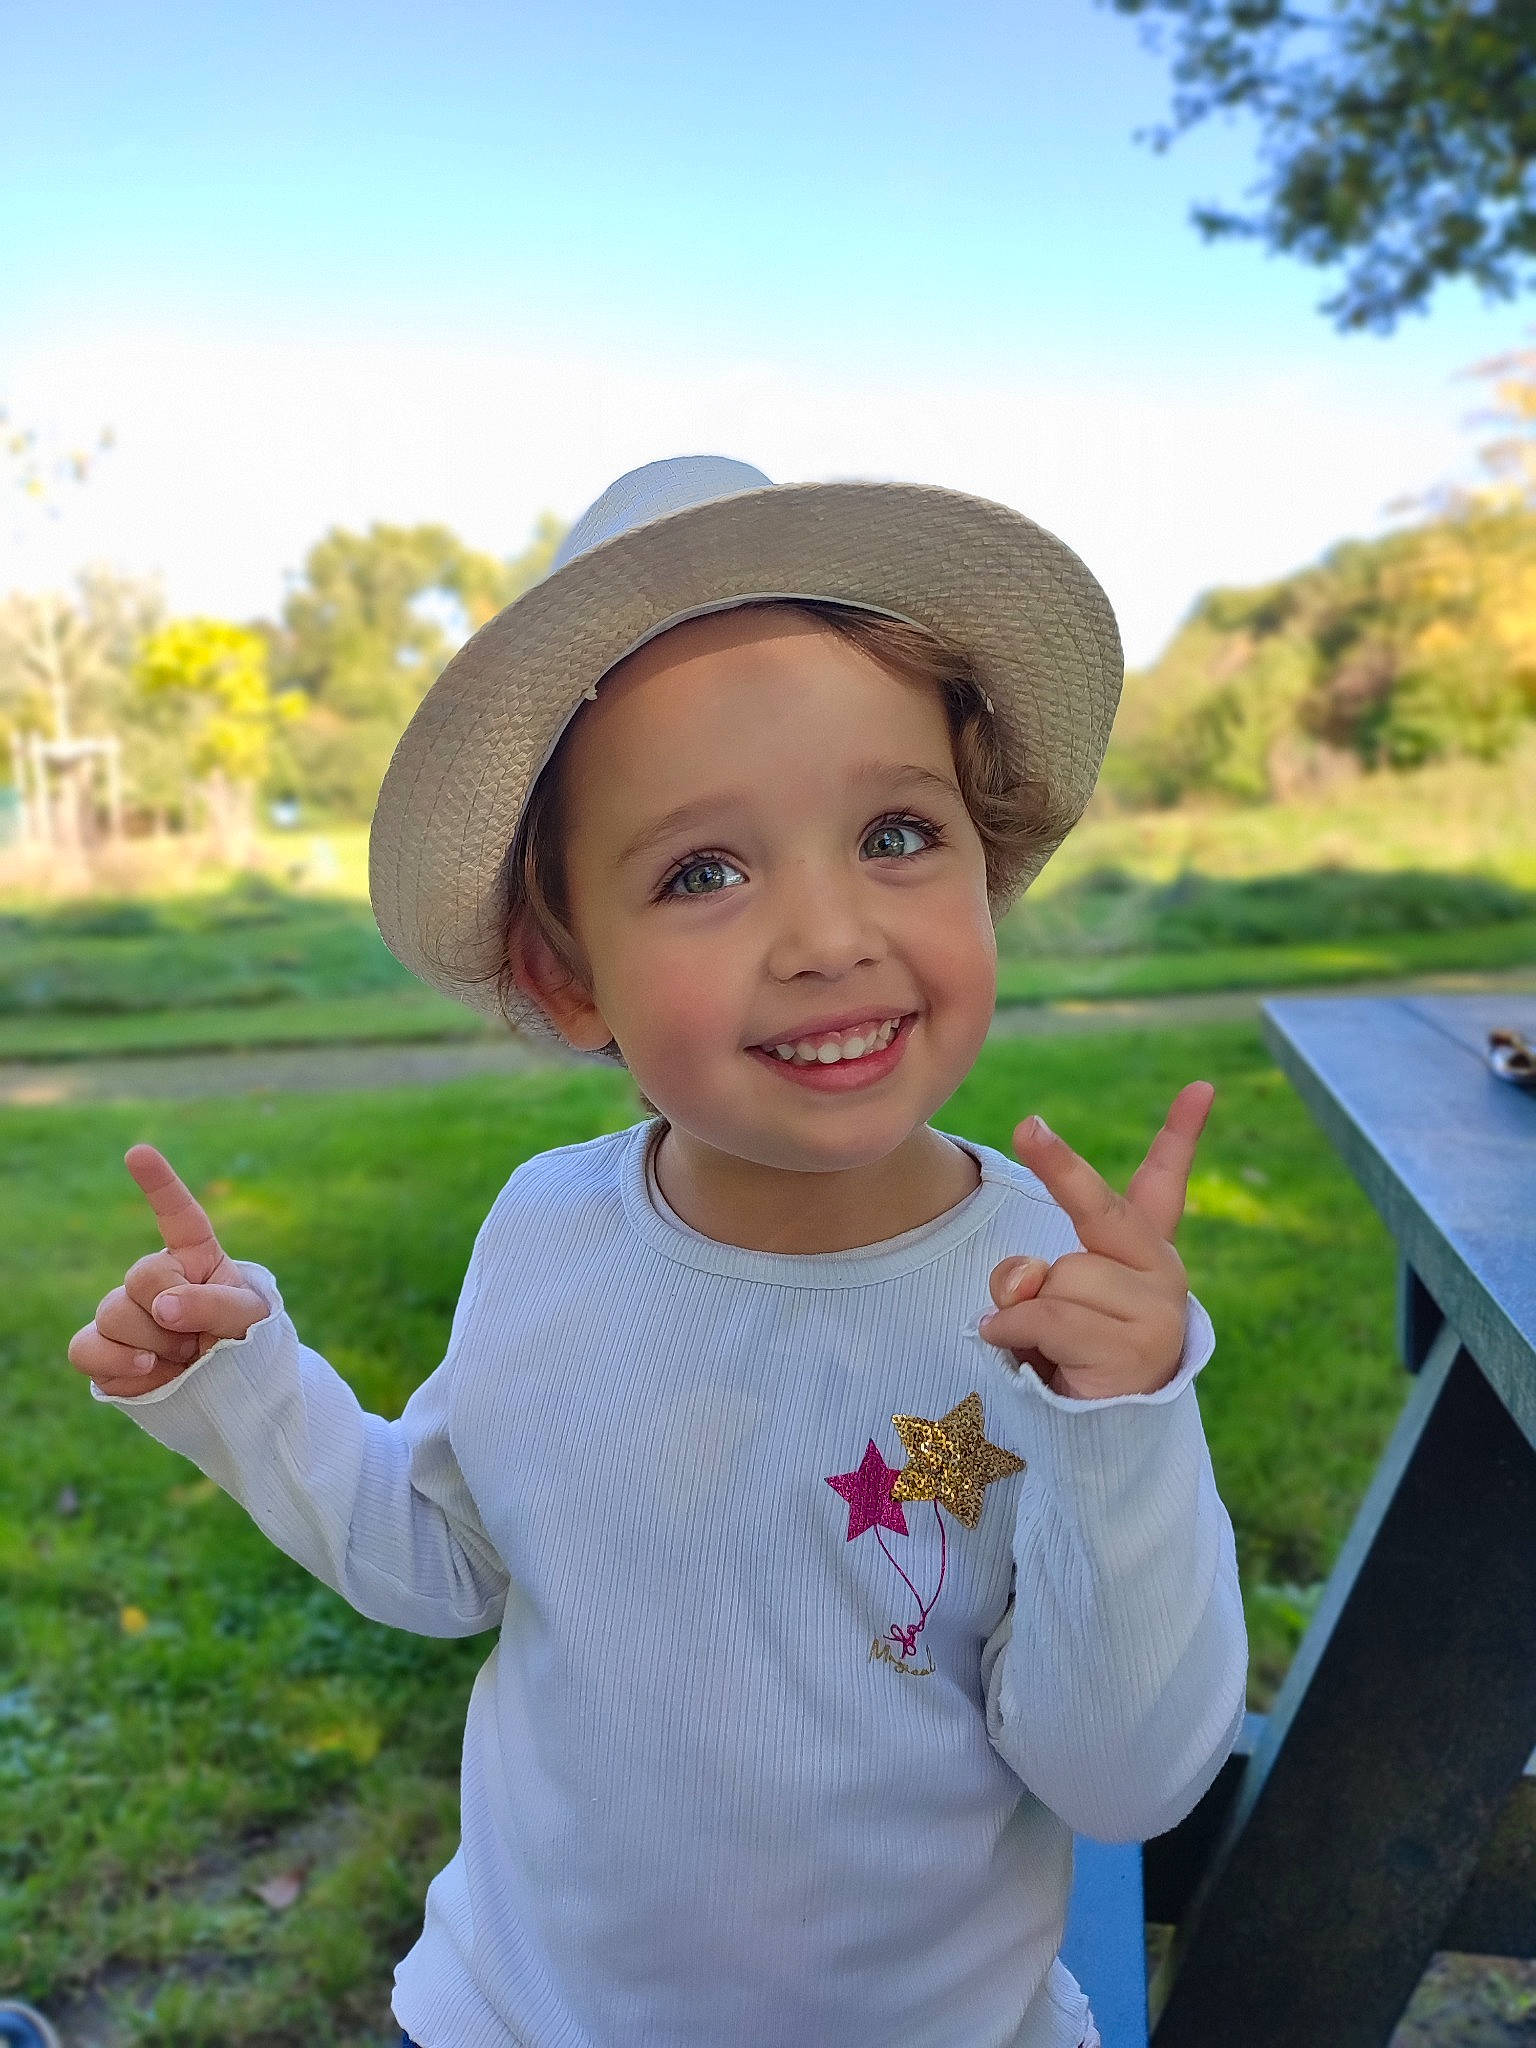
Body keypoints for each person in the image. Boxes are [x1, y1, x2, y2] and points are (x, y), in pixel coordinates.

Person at [70, 457, 1248, 2048]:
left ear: (987, 860)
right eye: (704, 871)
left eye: (897, 831)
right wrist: (242, 1386)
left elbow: (1121, 1779)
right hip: (519, 2014)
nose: (828, 937)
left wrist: (1128, 1429)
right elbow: (447, 1554)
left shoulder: (1060, 1306)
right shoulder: (549, 1233)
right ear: (569, 979)